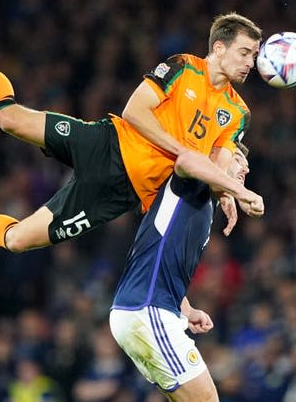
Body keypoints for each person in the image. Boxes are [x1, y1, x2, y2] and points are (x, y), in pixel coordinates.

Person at [0, 11, 264, 252]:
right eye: (245, 52)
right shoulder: (184, 67)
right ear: (219, 47)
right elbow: (134, 111)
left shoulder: (237, 113)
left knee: (19, 241)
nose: (251, 63)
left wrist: (227, 192)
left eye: (255, 55)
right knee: (9, 118)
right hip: (107, 143)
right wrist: (184, 154)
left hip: (117, 194)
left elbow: (220, 162)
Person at [109, 144, 251, 401]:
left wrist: (185, 309)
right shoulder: (193, 182)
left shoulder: (203, 201)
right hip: (148, 309)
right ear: (216, 153)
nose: (246, 167)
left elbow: (160, 259)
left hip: (146, 310)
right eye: (239, 158)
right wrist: (238, 191)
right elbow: (185, 161)